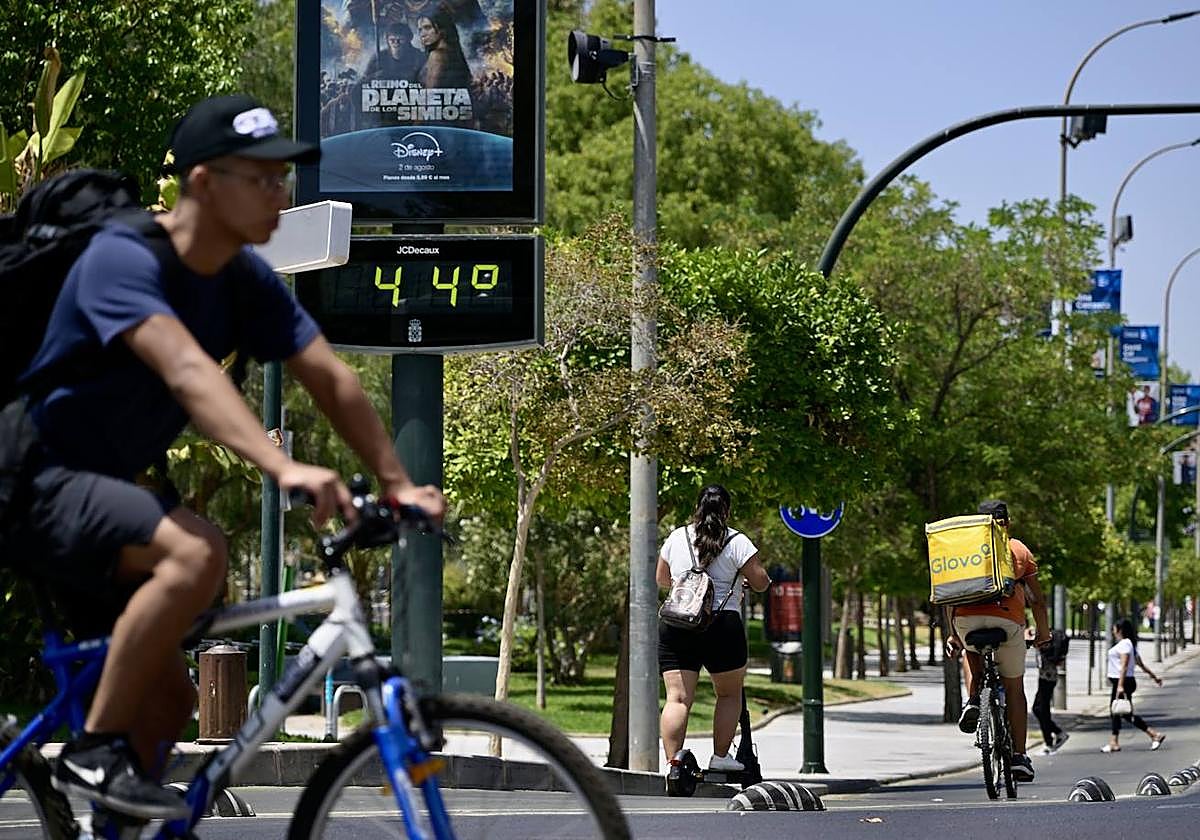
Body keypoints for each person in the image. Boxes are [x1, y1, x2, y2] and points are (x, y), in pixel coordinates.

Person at [12, 93, 446, 820]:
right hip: (34, 479)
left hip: (106, 494)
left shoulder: (242, 279)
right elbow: (187, 371)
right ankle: (91, 755)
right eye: (262, 178)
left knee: (170, 701)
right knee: (197, 550)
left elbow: (329, 376)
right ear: (205, 184)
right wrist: (284, 467)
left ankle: (113, 823)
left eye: (284, 177)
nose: (282, 192)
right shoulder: (122, 258)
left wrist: (397, 481)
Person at [656, 485, 771, 774]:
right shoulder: (737, 541)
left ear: (697, 508)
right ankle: (720, 757)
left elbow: (662, 579)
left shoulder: (677, 537)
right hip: (722, 625)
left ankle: (673, 765)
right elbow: (761, 582)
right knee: (729, 694)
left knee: (677, 698)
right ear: (727, 511)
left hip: (678, 623)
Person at [944, 500, 1050, 784]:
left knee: (969, 650)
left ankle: (974, 700)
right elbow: (1037, 601)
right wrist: (1043, 633)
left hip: (965, 620)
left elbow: (949, 595)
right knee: (1015, 688)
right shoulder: (1018, 549)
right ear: (1008, 522)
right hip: (1007, 622)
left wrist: (953, 634)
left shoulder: (964, 549)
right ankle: (1019, 756)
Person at [1103, 618, 1166, 753]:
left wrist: (1120, 685)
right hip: (1125, 681)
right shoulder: (1129, 644)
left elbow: (1124, 666)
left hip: (1123, 682)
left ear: (1119, 630)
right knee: (1117, 712)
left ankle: (1154, 734)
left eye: (1114, 628)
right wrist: (1154, 677)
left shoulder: (1125, 644)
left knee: (1124, 713)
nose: (1113, 631)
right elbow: (1141, 664)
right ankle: (1114, 742)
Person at [1026, 626, 1069, 754]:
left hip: (1048, 677)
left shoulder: (1045, 640)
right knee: (1040, 709)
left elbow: (1043, 649)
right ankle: (1056, 735)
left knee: (1041, 710)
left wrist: (1032, 640)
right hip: (1046, 676)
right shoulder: (1046, 638)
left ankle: (1050, 742)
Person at [417, 5, 474, 91]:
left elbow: (430, 94)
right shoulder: (454, 53)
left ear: (442, 28)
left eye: (427, 28)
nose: (422, 34)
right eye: (420, 30)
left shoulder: (437, 56)